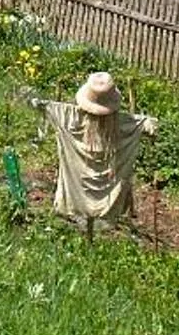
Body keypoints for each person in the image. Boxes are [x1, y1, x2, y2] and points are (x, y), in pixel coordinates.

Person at [30, 71, 159, 231]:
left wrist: (40, 104)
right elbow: (148, 125)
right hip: (109, 194)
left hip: (76, 189)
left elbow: (48, 108)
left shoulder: (71, 118)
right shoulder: (124, 125)